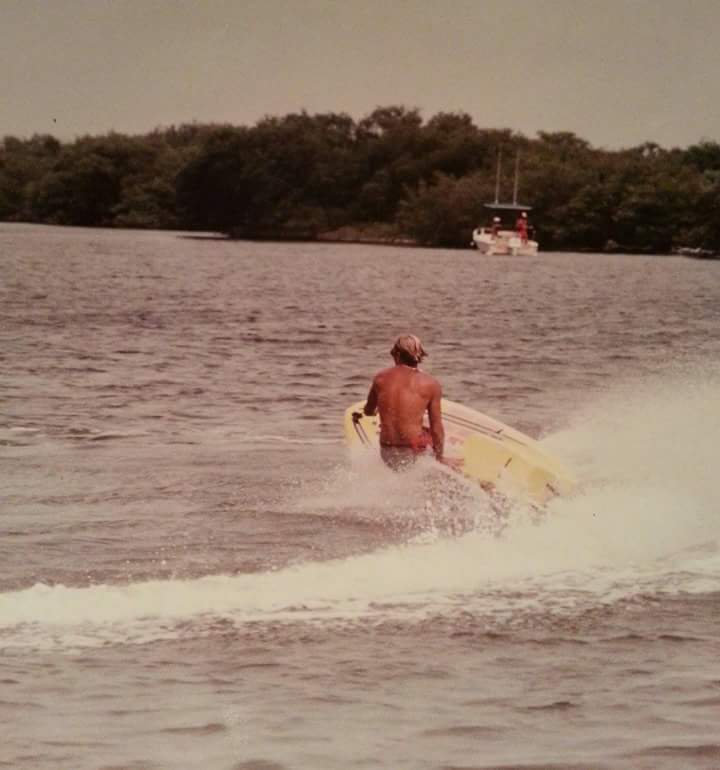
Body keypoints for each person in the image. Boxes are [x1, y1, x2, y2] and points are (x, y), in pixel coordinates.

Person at [355, 334, 449, 471]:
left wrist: (375, 410)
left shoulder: (380, 378)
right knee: (428, 432)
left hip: (387, 451)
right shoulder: (431, 384)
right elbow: (437, 427)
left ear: (396, 355)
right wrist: (440, 456)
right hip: (412, 451)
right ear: (419, 356)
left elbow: (368, 410)